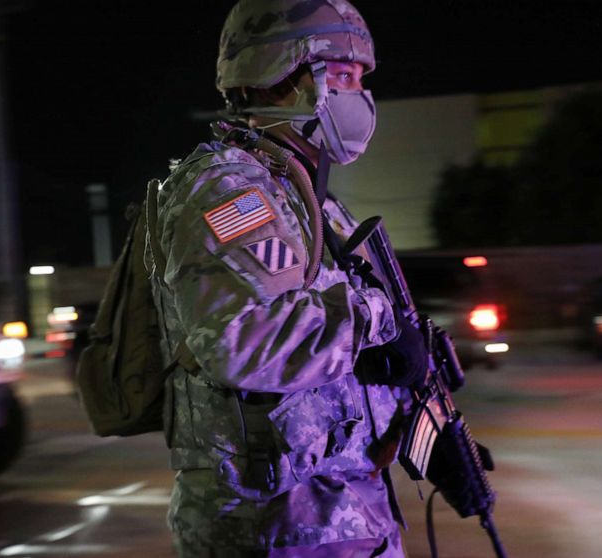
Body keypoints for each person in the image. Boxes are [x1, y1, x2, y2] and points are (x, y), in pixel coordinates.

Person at [145, 1, 428, 556]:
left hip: (338, 512)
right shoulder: (229, 189)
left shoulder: (299, 191)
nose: (360, 96)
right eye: (345, 75)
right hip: (277, 526)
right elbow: (246, 340)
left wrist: (419, 420)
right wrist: (378, 320)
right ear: (287, 73)